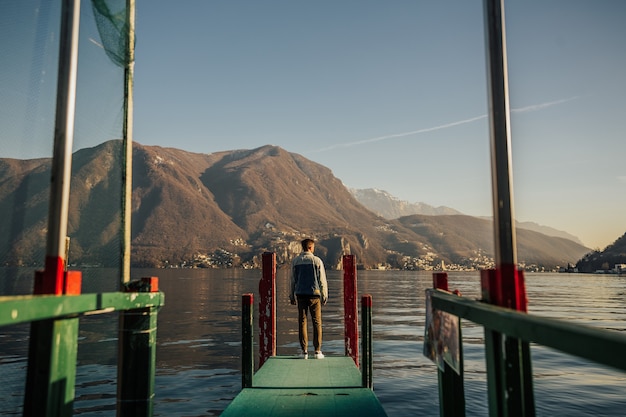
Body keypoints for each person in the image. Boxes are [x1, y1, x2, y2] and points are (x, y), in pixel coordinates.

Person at [290, 238, 328, 359]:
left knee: (302, 322)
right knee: (317, 322)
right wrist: (324, 295)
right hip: (314, 295)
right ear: (311, 247)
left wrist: (292, 295)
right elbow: (322, 280)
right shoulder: (317, 261)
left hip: (300, 295)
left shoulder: (295, 261)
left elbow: (292, 280)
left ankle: (304, 351)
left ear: (303, 247)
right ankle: (317, 351)